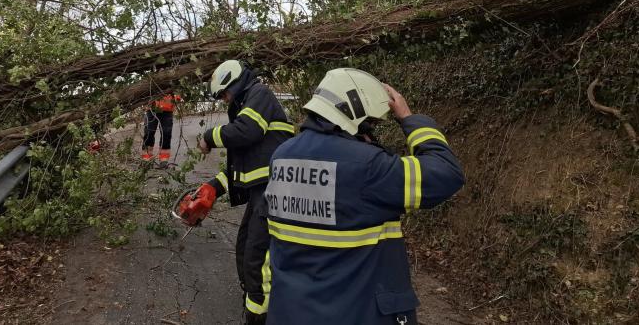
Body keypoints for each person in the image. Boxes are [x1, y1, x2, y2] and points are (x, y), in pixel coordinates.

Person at [263, 68, 465, 325]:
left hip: (290, 312)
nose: (372, 131)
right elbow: (446, 174)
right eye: (372, 122)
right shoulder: (366, 166)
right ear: (355, 114)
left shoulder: (281, 156)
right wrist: (408, 118)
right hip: (354, 313)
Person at [177, 60, 294, 324]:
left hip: (274, 191)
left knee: (256, 259)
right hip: (261, 192)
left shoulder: (259, 94)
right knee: (244, 247)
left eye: (223, 93)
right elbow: (243, 168)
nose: (223, 99)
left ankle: (262, 317)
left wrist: (209, 136)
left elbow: (247, 131)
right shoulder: (246, 106)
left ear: (235, 82)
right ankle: (255, 303)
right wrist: (212, 189)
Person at [141, 93, 181, 164]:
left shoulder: (171, 81)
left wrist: (177, 98)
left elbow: (177, 90)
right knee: (149, 132)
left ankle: (164, 158)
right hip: (151, 108)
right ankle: (146, 156)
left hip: (167, 109)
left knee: (166, 133)